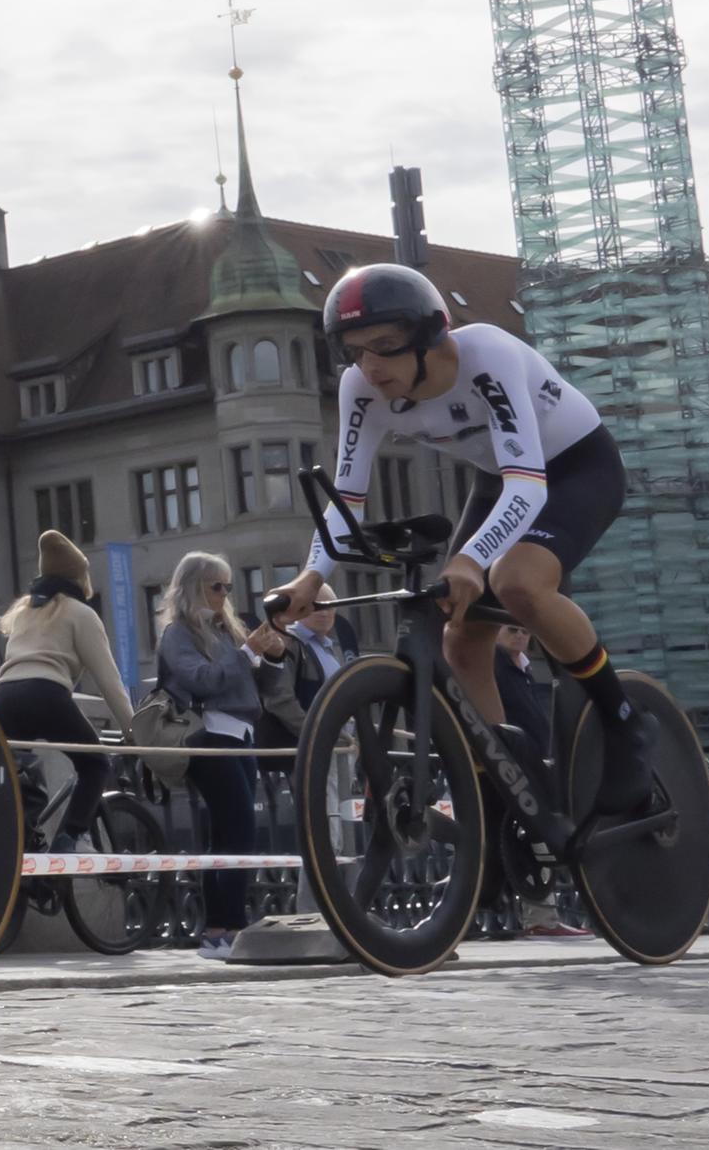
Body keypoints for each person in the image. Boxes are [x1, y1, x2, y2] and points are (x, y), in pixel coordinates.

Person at [267, 263, 652, 819]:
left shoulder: (487, 356)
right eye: (355, 352)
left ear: (430, 337)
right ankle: (507, 784)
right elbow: (348, 495)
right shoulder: (362, 388)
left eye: (385, 347)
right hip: (500, 478)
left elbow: (528, 482)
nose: (370, 368)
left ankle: (625, 726)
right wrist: (311, 577)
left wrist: (473, 559)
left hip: (574, 469)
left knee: (516, 582)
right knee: (460, 636)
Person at [158, 552, 287, 959]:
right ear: (194, 586)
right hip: (209, 736)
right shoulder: (179, 633)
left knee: (232, 832)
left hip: (240, 735)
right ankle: (222, 927)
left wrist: (273, 656)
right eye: (217, 586)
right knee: (237, 831)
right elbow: (202, 680)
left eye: (228, 587)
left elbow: (259, 688)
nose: (224, 594)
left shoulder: (227, 629)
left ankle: (224, 925)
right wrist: (246, 653)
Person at [0, 531, 133, 852]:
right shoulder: (80, 613)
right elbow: (109, 682)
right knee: (94, 764)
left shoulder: (24, 613)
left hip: (4, 697)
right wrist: (133, 730)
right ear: (81, 578)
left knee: (13, 774)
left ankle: (21, 844)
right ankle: (73, 838)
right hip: (46, 693)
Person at [494, 627, 587, 938]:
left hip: (531, 759)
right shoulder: (496, 664)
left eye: (524, 631)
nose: (519, 636)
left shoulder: (523, 667)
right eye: (510, 630)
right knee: (534, 837)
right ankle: (540, 915)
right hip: (513, 761)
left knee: (534, 838)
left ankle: (541, 915)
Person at [283, 603, 361, 712]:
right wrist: (311, 728)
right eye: (316, 608)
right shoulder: (289, 642)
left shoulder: (336, 642)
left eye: (329, 608)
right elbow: (282, 700)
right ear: (300, 610)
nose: (324, 613)